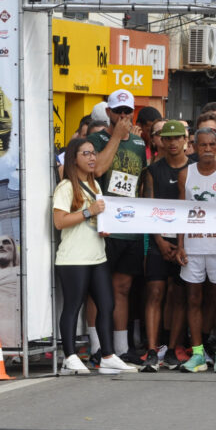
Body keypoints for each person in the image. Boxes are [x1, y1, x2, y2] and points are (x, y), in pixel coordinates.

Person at [52, 139, 137, 375]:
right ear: (74, 158)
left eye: (93, 153)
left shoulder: (96, 186)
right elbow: (59, 222)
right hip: (73, 258)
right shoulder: (66, 187)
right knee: (73, 306)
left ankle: (108, 355)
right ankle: (70, 357)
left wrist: (103, 225)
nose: (92, 158)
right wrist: (89, 211)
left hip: (97, 255)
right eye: (85, 153)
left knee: (107, 304)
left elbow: (97, 218)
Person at [88, 89, 148, 360]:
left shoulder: (138, 144)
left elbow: (141, 183)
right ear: (109, 112)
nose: (123, 116)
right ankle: (95, 345)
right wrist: (115, 137)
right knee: (97, 288)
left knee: (122, 287)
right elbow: (98, 170)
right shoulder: (95, 139)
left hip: (131, 226)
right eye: (118, 111)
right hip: (104, 225)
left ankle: (122, 348)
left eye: (127, 111)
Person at [176, 128, 216, 373]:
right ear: (194, 146)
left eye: (212, 145)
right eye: (203, 145)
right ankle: (198, 353)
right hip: (193, 246)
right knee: (193, 299)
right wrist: (179, 244)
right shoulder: (185, 174)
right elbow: (180, 212)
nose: (208, 150)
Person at [139, 120, 191, 372]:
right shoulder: (152, 171)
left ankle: (172, 348)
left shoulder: (194, 169)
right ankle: (151, 349)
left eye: (177, 138)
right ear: (160, 141)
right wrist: (159, 241)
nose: (172, 143)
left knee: (179, 294)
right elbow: (147, 210)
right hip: (159, 240)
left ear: (185, 140)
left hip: (185, 241)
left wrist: (180, 244)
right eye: (167, 138)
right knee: (155, 292)